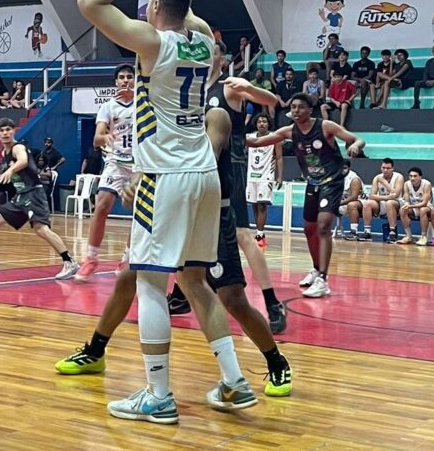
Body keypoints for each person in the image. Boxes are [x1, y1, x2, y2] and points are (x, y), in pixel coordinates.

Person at [77, 0, 243, 424]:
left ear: (152, 7)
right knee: (194, 282)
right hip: (204, 179)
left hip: (165, 176)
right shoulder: (205, 45)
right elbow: (190, 15)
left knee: (150, 284)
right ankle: (233, 381)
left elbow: (90, 3)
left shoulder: (152, 44)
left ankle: (159, 395)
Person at [54, 106, 293, 404]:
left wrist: (151, 173)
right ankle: (95, 350)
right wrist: (135, 183)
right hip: (171, 209)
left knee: (232, 299)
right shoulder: (162, 119)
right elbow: (150, 161)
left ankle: (275, 361)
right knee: (130, 274)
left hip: (210, 216)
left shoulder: (214, 115)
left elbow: (204, 156)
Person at [247, 93, 364, 298]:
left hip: (332, 181)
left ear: (310, 110)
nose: (295, 111)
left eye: (301, 107)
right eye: (292, 107)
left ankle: (323, 280)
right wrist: (232, 134)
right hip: (313, 182)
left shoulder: (325, 126)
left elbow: (357, 139)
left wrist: (354, 145)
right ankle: (316, 269)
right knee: (309, 229)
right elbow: (257, 142)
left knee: (323, 225)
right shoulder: (289, 131)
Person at [200, 69, 287, 333]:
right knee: (196, 233)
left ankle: (272, 302)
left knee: (243, 236)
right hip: (200, 169)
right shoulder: (195, 86)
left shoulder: (228, 86)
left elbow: (271, 100)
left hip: (229, 168)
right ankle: (183, 295)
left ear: (220, 57)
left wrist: (249, 87)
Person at [0, 118, 78, 278]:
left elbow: (23, 161)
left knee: (41, 230)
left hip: (34, 193)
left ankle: (70, 262)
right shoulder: (5, 152)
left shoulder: (17, 147)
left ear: (13, 131)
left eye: (8, 129)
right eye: (2, 130)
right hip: (21, 196)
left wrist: (10, 171)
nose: (5, 133)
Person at [74, 64, 135, 281]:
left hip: (140, 164)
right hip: (116, 163)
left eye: (129, 77)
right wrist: (105, 137)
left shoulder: (144, 104)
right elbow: (96, 138)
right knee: (101, 205)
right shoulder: (108, 107)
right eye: (121, 77)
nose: (125, 80)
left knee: (139, 214)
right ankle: (90, 259)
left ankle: (127, 258)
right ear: (115, 82)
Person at [247, 113, 283, 249]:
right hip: (251, 175)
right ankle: (259, 233)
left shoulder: (274, 138)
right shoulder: (249, 138)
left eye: (264, 121)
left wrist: (280, 176)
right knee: (254, 205)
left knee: (262, 205)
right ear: (256, 124)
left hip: (266, 175)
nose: (262, 124)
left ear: (269, 124)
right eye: (259, 121)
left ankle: (259, 234)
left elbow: (279, 157)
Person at [360, 158, 404, 242]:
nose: (385, 170)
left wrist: (384, 182)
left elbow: (396, 195)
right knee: (367, 203)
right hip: (383, 202)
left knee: (390, 203)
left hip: (398, 203)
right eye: (383, 168)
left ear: (392, 168)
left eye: (388, 168)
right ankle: (367, 232)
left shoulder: (399, 177)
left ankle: (392, 232)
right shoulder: (377, 178)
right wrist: (387, 197)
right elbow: (371, 196)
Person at [397, 167, 434, 245]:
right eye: (410, 176)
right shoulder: (407, 184)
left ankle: (423, 236)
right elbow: (406, 200)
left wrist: (410, 206)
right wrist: (406, 205)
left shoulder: (427, 184)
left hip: (429, 207)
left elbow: (424, 203)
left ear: (420, 177)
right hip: (414, 207)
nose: (412, 178)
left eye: (415, 176)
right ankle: (408, 236)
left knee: (423, 210)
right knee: (402, 210)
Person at [336, 159, 364, 240]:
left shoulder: (354, 179)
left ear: (349, 168)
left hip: (360, 202)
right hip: (344, 202)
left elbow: (354, 197)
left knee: (352, 205)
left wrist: (338, 203)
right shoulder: (336, 176)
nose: (342, 170)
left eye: (344, 168)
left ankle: (354, 232)